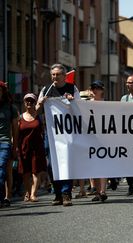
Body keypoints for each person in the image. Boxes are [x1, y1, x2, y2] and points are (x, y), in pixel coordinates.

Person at [36, 63, 80, 206]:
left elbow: (80, 110)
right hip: (51, 133)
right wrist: (41, 103)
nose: (55, 77)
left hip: (67, 133)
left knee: (66, 161)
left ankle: (66, 193)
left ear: (64, 76)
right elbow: (36, 111)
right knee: (51, 164)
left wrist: (72, 102)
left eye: (58, 74)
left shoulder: (72, 88)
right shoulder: (46, 89)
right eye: (53, 74)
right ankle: (58, 193)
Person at [18, 93, 47, 203]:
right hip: (24, 148)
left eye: (31, 101)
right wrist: (15, 147)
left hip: (37, 148)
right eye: (27, 101)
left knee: (36, 172)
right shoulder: (20, 117)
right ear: (24, 103)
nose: (29, 103)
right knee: (26, 173)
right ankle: (28, 192)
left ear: (35, 103)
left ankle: (33, 194)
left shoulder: (39, 117)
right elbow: (15, 133)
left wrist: (43, 102)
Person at [87, 80, 108, 202]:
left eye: (98, 88)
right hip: (90, 138)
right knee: (93, 165)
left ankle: (103, 191)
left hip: (104, 138)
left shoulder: (107, 104)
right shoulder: (85, 104)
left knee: (103, 164)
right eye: (93, 88)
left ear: (102, 90)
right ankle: (96, 191)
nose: (95, 90)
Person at [0, 81, 18, 208]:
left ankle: (7, 196)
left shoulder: (11, 107)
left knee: (2, 170)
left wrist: (15, 147)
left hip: (5, 143)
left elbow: (15, 129)